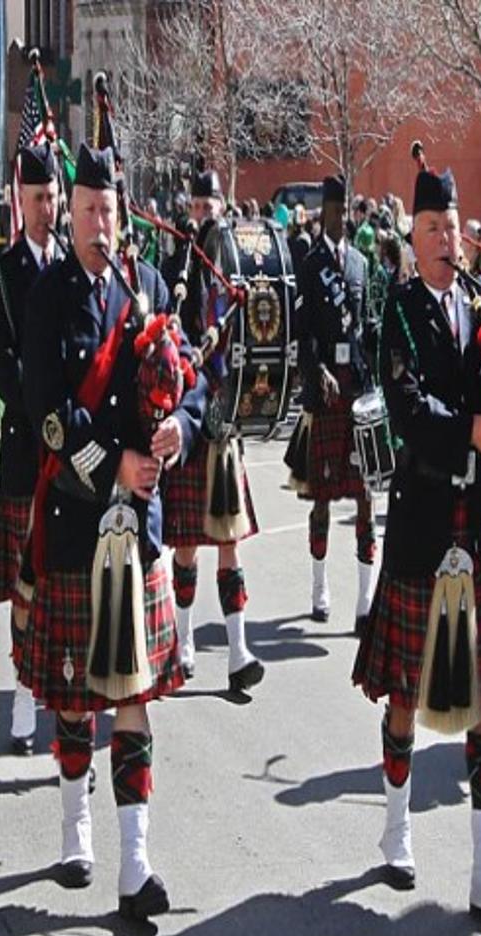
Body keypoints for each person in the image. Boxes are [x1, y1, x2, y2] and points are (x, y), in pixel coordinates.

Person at [19, 144, 207, 919]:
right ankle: (76, 825)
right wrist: (119, 463)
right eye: (90, 210)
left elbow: (190, 380)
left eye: (111, 211)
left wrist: (177, 438)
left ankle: (135, 860)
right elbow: (50, 416)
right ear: (71, 215)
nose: (101, 224)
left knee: (132, 692)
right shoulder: (49, 298)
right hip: (75, 519)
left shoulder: (149, 287)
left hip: (139, 530)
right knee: (73, 697)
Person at [353, 157, 481, 924]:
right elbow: (409, 409)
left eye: (452, 229)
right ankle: (396, 832)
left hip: (480, 528)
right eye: (431, 229)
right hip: (426, 529)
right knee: (403, 697)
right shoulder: (397, 312)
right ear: (412, 237)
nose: (444, 241)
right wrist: (473, 432)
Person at [0, 144, 62, 754]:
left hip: (73, 451)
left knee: (63, 573)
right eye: (38, 200)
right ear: (18, 202)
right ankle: (23, 696)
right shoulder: (1, 276)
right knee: (28, 577)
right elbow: (1, 367)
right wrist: (45, 410)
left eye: (53, 199)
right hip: (30, 447)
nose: (47, 209)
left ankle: (53, 677)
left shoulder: (72, 265)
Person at [162, 178, 265, 694]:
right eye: (197, 204)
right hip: (187, 405)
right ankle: (182, 644)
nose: (203, 213)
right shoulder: (174, 260)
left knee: (227, 540)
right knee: (185, 544)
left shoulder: (236, 265)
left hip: (222, 414)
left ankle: (237, 650)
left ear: (223, 208)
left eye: (210, 205)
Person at [285, 174, 375, 633]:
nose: (341, 218)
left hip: (356, 389)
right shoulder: (310, 260)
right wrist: (312, 368)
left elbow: (368, 327)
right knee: (320, 497)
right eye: (335, 211)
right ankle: (319, 588)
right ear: (326, 212)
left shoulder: (360, 264)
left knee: (364, 495)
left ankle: (363, 600)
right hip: (326, 389)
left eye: (346, 211)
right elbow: (301, 330)